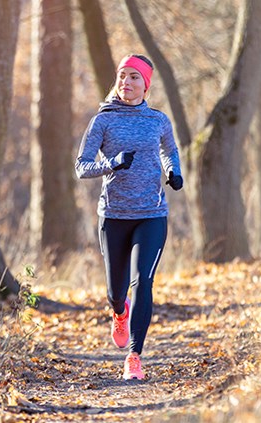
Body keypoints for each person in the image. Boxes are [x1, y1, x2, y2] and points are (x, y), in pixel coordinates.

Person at [74, 54, 183, 380]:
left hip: (151, 214)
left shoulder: (158, 120)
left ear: (146, 84)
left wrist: (173, 171)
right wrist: (112, 164)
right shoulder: (103, 121)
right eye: (122, 76)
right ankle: (119, 312)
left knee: (143, 281)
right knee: (117, 292)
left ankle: (134, 357)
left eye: (134, 77)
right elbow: (82, 166)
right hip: (115, 216)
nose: (127, 82)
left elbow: (170, 149)